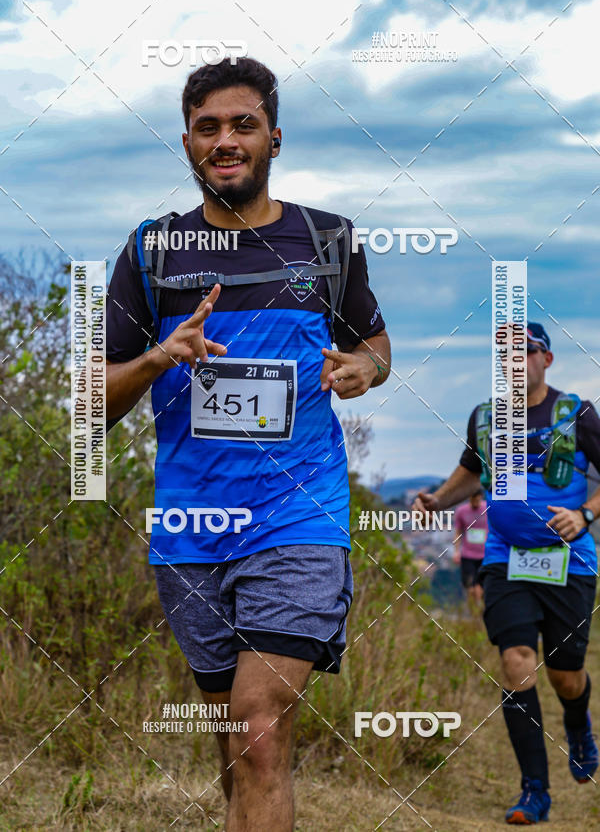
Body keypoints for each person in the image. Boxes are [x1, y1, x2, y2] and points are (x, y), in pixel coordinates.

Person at [105, 56, 391, 831]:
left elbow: (374, 344)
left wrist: (365, 367)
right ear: (188, 142)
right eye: (208, 127)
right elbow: (90, 404)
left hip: (298, 517)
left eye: (243, 125)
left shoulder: (326, 242)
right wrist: (159, 357)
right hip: (194, 527)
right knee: (238, 747)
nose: (225, 140)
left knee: (258, 730)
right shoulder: (150, 254)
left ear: (273, 138)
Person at [413, 321, 599, 824]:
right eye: (506, 354)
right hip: (506, 559)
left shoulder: (576, 413)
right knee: (517, 663)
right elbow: (469, 475)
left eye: (526, 351)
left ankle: (579, 725)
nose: (514, 361)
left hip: (569, 562)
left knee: (565, 676)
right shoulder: (487, 417)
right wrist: (435, 497)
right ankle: (534, 791)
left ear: (547, 359)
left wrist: (585, 514)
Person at [453, 488, 488, 606]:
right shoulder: (461, 511)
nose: (475, 503)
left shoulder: (488, 508)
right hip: (468, 554)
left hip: (485, 554)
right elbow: (458, 531)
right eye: (473, 500)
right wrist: (456, 551)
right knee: (470, 588)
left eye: (478, 500)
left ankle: (482, 613)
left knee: (480, 589)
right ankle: (473, 613)